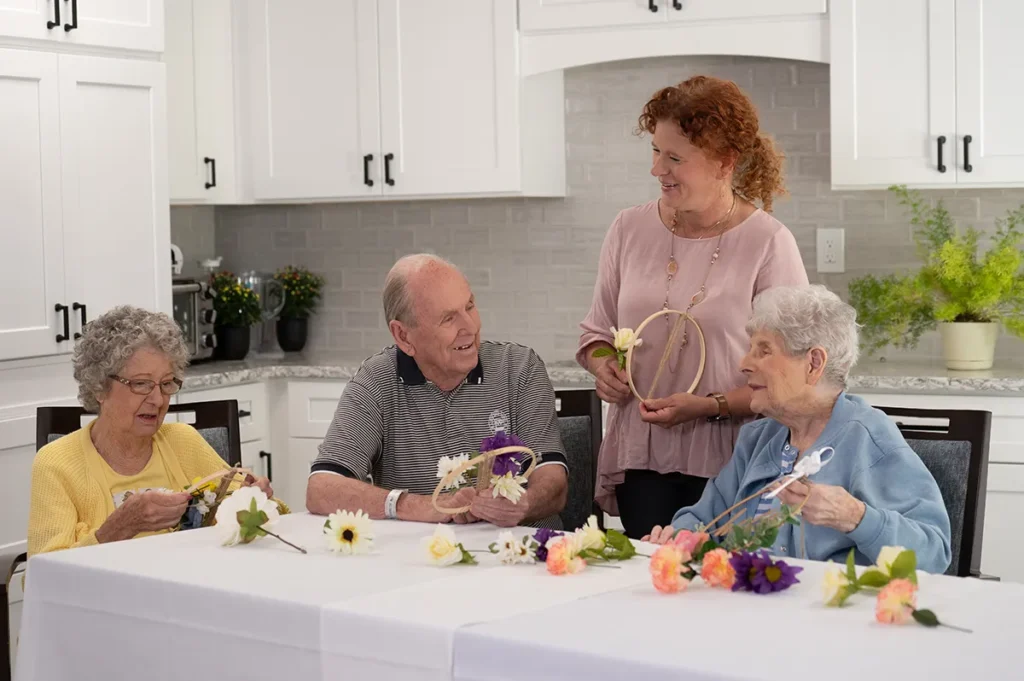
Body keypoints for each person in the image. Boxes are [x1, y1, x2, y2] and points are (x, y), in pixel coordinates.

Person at [577, 75, 809, 538]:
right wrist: (604, 366)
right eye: (655, 152)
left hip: (734, 461)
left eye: (674, 158)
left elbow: (793, 378)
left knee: (724, 594)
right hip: (641, 457)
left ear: (724, 163)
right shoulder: (628, 229)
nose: (657, 169)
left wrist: (707, 406)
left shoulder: (768, 243)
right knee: (652, 588)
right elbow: (595, 335)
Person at [644, 285, 952, 574]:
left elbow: (933, 553)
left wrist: (855, 517)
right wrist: (679, 538)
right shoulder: (759, 437)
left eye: (763, 351)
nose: (744, 363)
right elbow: (702, 519)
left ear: (813, 363)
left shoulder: (868, 439)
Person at [306, 254, 569, 529]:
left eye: (470, 307)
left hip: (524, 557)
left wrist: (525, 503)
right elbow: (321, 488)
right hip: (422, 560)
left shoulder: (519, 368)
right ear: (404, 336)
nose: (470, 327)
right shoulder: (376, 381)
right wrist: (423, 506)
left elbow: (553, 479)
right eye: (448, 319)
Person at [27, 306, 273, 556]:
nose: (157, 399)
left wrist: (257, 499)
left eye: (166, 383)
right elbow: (42, 577)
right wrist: (119, 527)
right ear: (99, 388)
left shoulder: (183, 442)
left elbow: (263, 521)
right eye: (141, 384)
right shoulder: (57, 464)